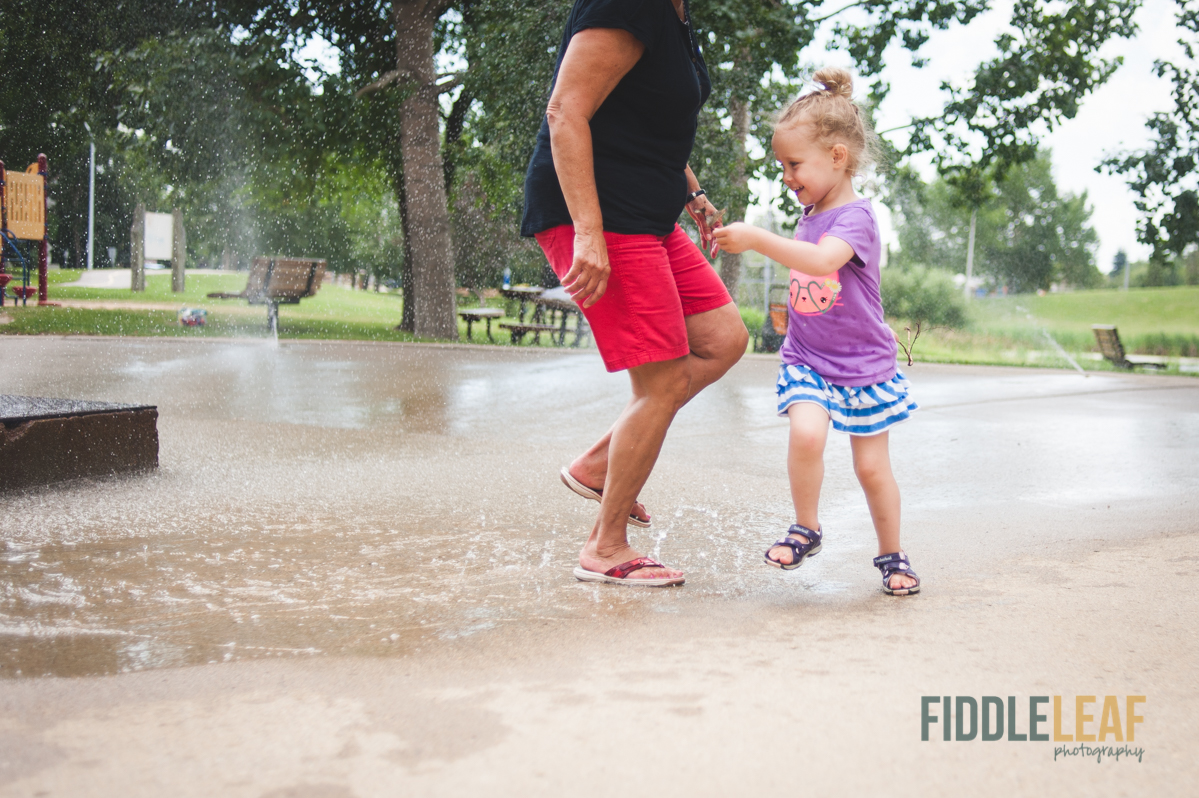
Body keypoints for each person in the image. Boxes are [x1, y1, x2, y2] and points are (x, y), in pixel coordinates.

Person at [521, 0, 748, 587]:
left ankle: (599, 464)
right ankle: (605, 547)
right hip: (603, 213)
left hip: (650, 210)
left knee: (724, 339)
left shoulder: (676, 13)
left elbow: (649, 117)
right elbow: (566, 110)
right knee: (663, 380)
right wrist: (588, 234)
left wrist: (692, 191)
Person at [712, 67, 921, 596]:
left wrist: (758, 237)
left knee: (872, 469)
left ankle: (892, 554)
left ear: (837, 157)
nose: (786, 175)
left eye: (793, 163)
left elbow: (823, 261)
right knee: (806, 433)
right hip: (808, 359)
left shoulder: (856, 219)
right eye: (781, 164)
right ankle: (806, 527)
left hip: (864, 367)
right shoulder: (809, 213)